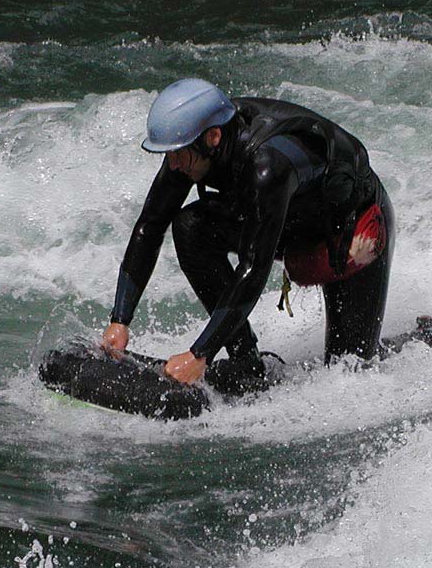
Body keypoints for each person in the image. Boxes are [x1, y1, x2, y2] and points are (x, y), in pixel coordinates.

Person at [102, 79, 395, 386]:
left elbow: (254, 267)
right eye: (169, 155)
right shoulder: (191, 149)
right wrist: (120, 320)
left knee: (349, 374)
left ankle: (418, 342)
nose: (172, 165)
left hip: (352, 236)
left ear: (213, 137)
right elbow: (150, 226)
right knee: (190, 226)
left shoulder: (267, 165)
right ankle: (246, 362)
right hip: (284, 223)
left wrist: (200, 354)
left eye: (178, 155)